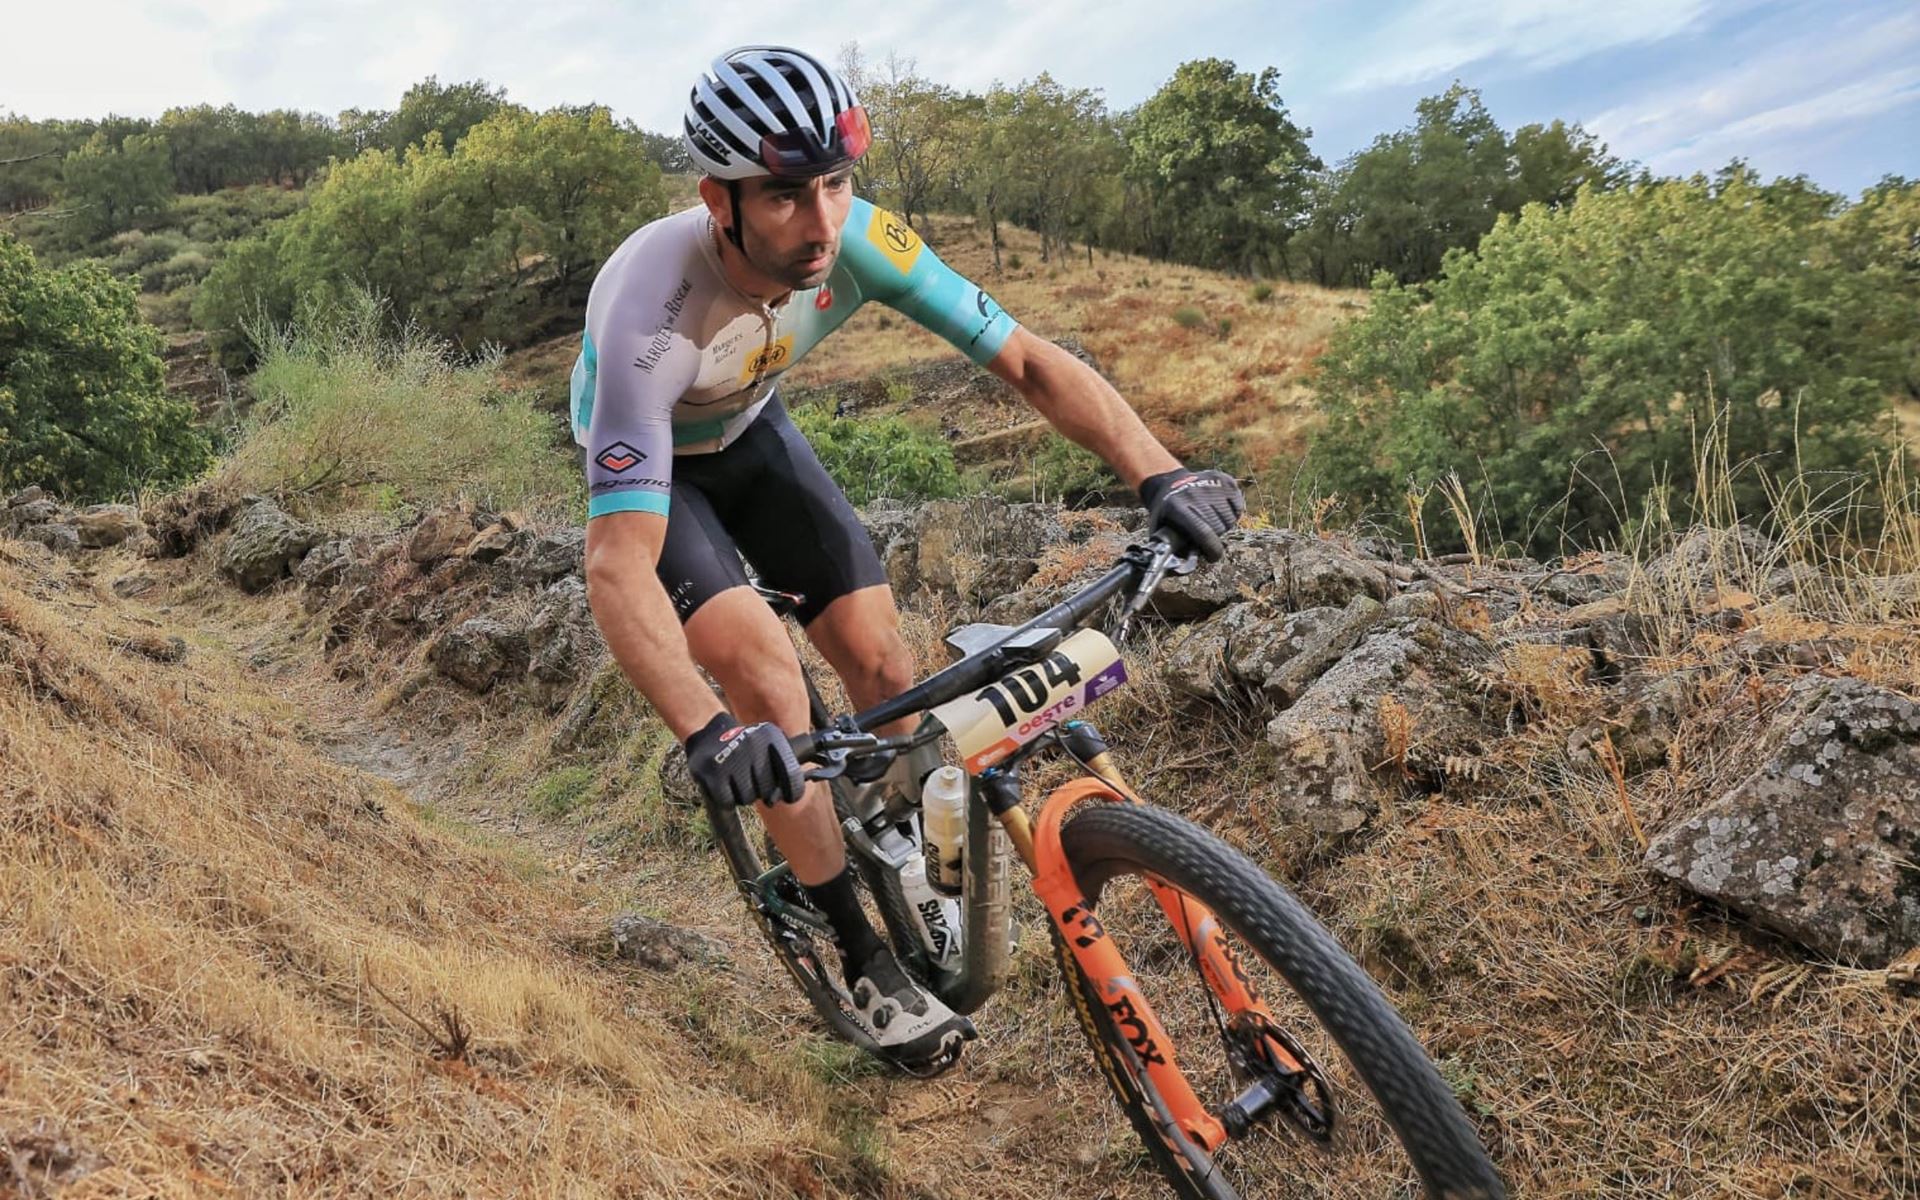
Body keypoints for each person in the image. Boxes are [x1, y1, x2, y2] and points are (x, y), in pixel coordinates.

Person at [572, 44, 1245, 1069]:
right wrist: (707, 731)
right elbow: (618, 563)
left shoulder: (861, 239)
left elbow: (1026, 360)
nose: (822, 221)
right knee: (767, 683)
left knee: (885, 662)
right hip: (662, 465)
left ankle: (898, 842)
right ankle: (857, 950)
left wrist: (1160, 473)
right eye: (786, 195)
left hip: (750, 427)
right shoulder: (648, 319)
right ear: (719, 200)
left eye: (837, 182)